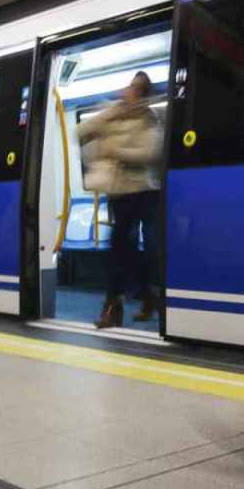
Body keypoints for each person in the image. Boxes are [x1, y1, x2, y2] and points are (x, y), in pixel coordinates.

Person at [77, 71, 163, 328]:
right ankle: (140, 299)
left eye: (136, 88)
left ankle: (128, 303)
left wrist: (115, 150)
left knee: (140, 249)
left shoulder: (149, 119)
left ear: (143, 93)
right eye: (131, 86)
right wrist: (110, 113)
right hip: (119, 192)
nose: (130, 91)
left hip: (144, 192)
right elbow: (80, 129)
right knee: (121, 250)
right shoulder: (114, 113)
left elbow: (149, 152)